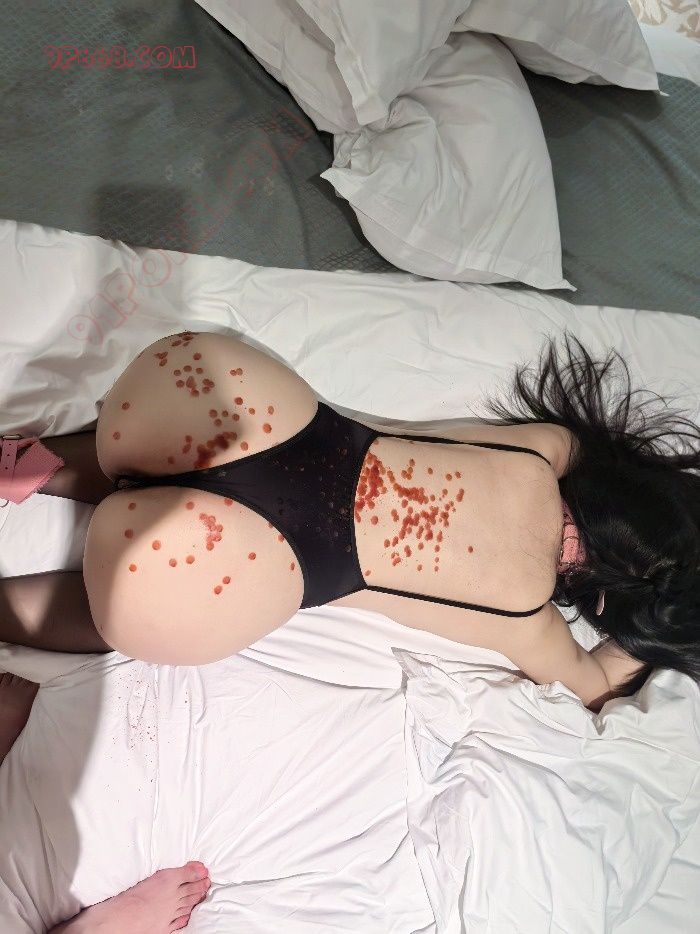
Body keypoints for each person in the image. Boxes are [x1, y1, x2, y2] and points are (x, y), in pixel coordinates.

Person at [2, 330, 698, 929]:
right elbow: (594, 680)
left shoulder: (549, 448)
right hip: (228, 554)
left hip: (213, 397)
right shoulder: (527, 614)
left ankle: (34, 464)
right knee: (119, 608)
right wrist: (655, 632)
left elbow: (589, 460)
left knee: (159, 456)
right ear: (601, 593)